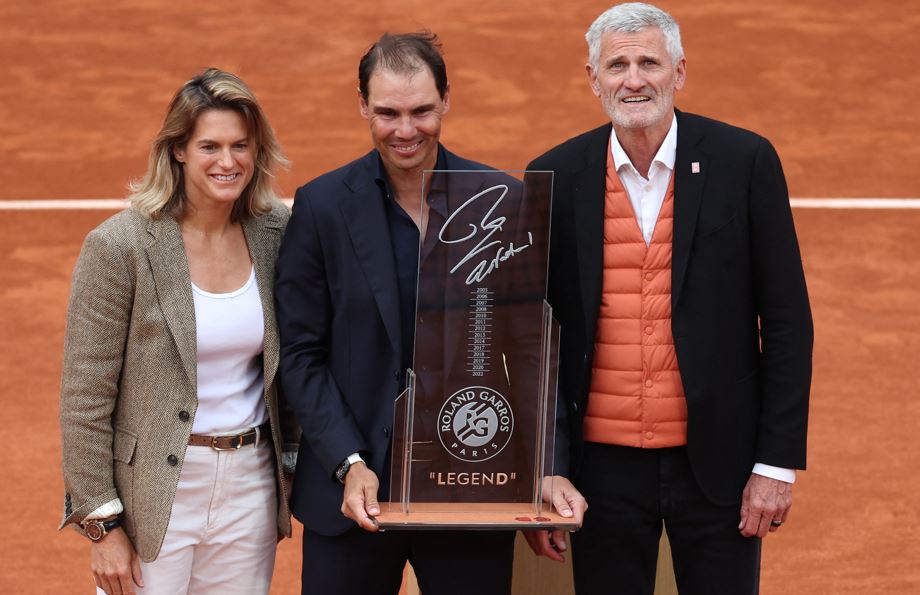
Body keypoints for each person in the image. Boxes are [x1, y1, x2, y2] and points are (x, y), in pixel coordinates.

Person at [275, 31, 585, 595]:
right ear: (363, 105)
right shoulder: (320, 207)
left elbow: (533, 351)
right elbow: (301, 353)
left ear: (446, 100)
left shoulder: (501, 202)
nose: (405, 130)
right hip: (353, 498)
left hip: (469, 490)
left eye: (421, 110)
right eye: (388, 113)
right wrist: (350, 462)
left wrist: (544, 467)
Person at [525, 3, 814, 594]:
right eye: (618, 65)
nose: (634, 80)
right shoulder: (553, 175)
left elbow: (786, 320)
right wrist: (544, 471)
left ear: (678, 72)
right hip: (598, 472)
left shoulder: (745, 162)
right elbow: (538, 339)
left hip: (720, 466)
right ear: (593, 78)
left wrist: (774, 465)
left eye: (649, 63)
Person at [59, 68, 298, 595]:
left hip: (249, 488)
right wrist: (101, 525)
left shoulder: (276, 234)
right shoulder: (120, 247)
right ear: (179, 150)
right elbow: (85, 397)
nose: (228, 161)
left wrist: (289, 464)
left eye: (241, 146)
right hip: (155, 490)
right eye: (209, 145)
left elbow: (296, 359)